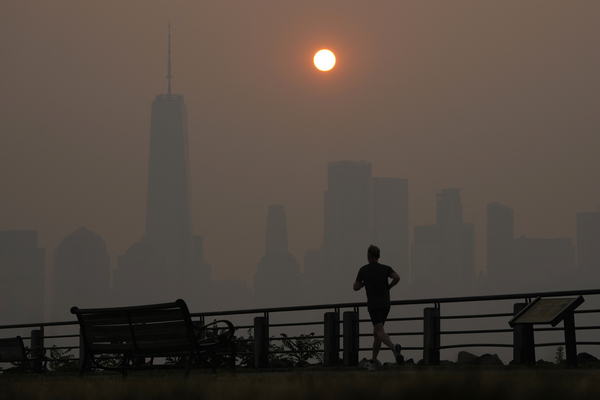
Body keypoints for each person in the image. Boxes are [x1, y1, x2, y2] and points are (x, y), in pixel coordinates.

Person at [353, 245, 403, 371]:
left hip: (374, 305)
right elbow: (397, 277)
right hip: (386, 304)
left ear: (368, 256)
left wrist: (364, 283)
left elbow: (355, 287)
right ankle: (373, 362)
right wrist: (389, 287)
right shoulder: (386, 268)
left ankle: (393, 347)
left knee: (379, 331)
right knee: (377, 333)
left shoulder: (364, 270)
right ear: (379, 256)